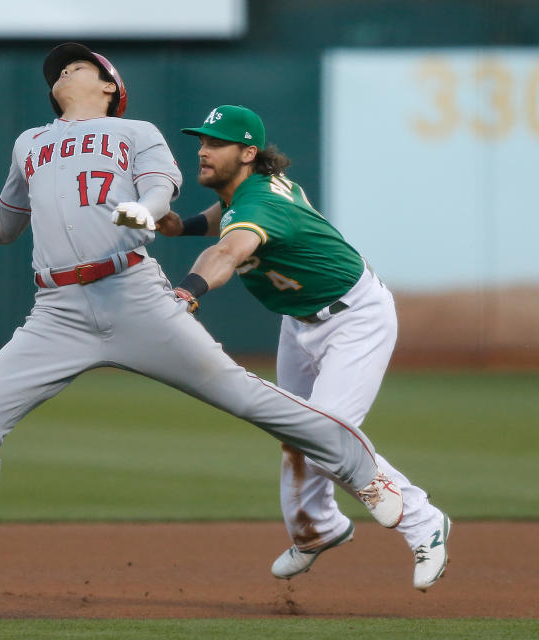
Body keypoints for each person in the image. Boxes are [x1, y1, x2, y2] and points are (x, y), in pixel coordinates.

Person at [0, 45, 404, 618]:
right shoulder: (29, 142)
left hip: (133, 295)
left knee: (242, 394)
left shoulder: (134, 131)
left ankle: (363, 471)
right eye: (58, 68)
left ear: (109, 85)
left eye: (78, 65)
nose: (64, 72)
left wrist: (144, 211)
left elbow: (161, 189)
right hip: (57, 310)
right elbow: (5, 224)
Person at [146, 105, 450, 592]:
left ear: (248, 153)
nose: (203, 150)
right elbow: (224, 218)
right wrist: (178, 226)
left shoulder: (259, 205)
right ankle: (316, 529)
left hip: (354, 318)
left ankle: (422, 520)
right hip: (301, 320)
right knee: (293, 434)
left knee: (326, 435)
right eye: (202, 140)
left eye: (217, 143)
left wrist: (186, 292)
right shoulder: (246, 193)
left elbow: (228, 250)